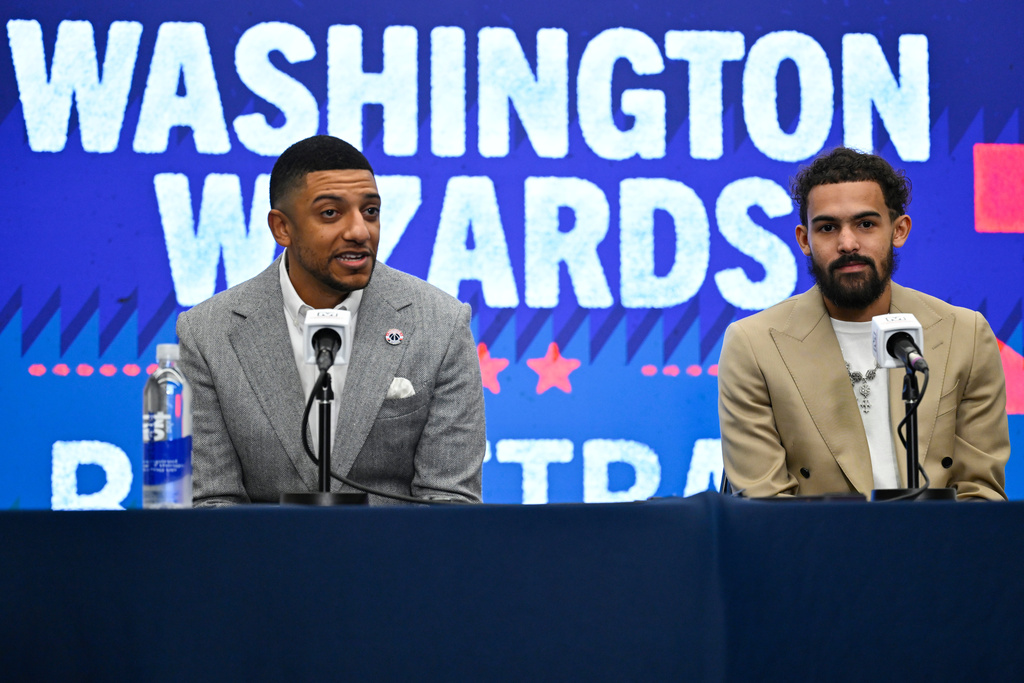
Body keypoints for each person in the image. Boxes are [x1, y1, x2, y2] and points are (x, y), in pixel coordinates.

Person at [176, 135, 486, 505]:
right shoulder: (208, 333)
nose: (359, 232)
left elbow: (449, 501)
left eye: (370, 211)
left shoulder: (440, 323)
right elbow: (213, 501)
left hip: (398, 558)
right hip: (262, 559)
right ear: (282, 228)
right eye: (330, 214)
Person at [718, 147, 1009, 500]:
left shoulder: (964, 334)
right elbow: (766, 509)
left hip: (937, 550)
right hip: (813, 551)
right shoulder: (755, 345)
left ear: (898, 231)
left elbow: (980, 494)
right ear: (804, 240)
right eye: (827, 228)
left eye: (866, 224)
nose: (848, 243)